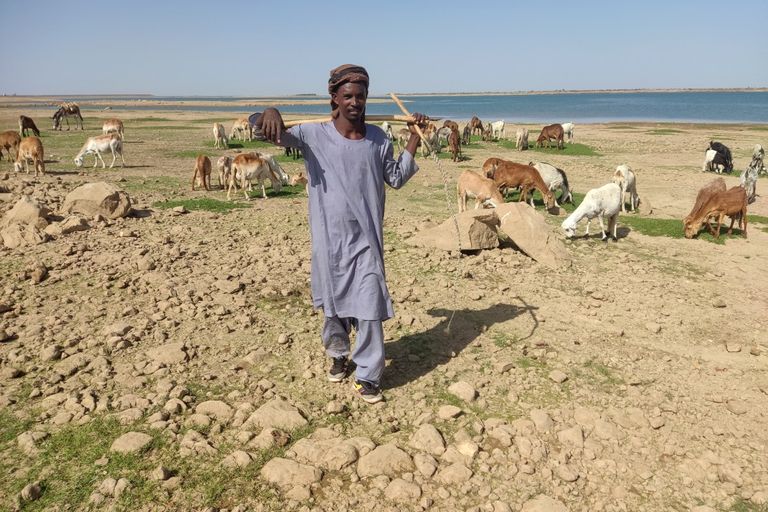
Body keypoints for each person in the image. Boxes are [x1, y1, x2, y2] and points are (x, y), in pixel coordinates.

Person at [258, 64, 427, 403]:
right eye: (347, 95)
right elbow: (264, 131)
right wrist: (268, 113)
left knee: (368, 305)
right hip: (329, 242)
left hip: (366, 242)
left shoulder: (379, 138)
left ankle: (368, 375)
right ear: (333, 97)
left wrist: (413, 138)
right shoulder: (312, 135)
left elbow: (395, 177)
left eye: (360, 96)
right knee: (334, 307)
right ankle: (338, 354)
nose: (355, 102)